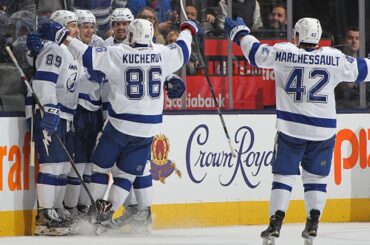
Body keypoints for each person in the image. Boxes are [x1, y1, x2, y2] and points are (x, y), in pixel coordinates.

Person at [30, 17, 196, 233]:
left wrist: (64, 37)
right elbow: (184, 48)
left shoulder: (119, 53)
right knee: (127, 175)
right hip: (148, 129)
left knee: (99, 167)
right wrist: (188, 28)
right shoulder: (164, 53)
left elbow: (87, 55)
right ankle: (107, 216)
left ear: (131, 36)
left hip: (120, 124)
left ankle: (95, 214)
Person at [224, 17, 370, 244]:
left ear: (297, 36)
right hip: (323, 131)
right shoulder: (333, 57)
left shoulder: (283, 52)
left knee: (283, 176)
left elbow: (255, 53)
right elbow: (363, 70)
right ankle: (313, 222)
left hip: (291, 129)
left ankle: (276, 223)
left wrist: (240, 33)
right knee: (316, 178)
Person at [26, 9, 82, 236]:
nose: (75, 30)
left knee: (63, 166)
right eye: (71, 25)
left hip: (66, 116)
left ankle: (56, 210)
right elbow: (44, 81)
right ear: (59, 28)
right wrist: (49, 109)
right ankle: (44, 215)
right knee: (51, 165)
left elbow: (72, 84)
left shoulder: (69, 51)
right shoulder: (54, 49)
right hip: (52, 113)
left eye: (77, 25)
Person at [63, 9, 105, 220]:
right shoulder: (70, 48)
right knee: (77, 163)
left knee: (92, 164)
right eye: (84, 26)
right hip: (78, 110)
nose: (88, 30)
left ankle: (83, 208)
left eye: (91, 26)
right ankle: (70, 209)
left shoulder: (99, 44)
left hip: (95, 112)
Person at [334, 26, 360, 109]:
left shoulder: (365, 64)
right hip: (339, 109)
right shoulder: (335, 63)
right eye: (350, 38)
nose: (354, 41)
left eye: (357, 38)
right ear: (344, 41)